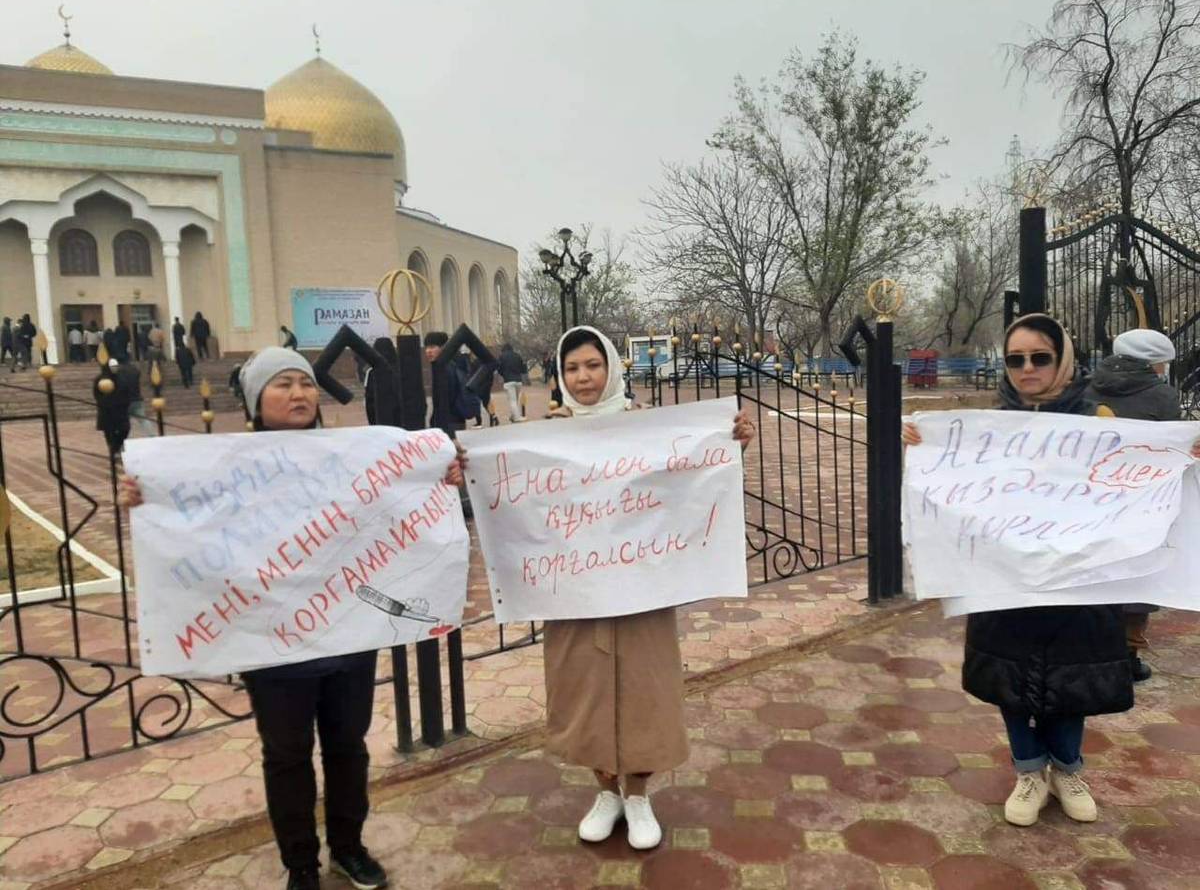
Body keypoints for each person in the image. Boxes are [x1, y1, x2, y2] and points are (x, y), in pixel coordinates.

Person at [117, 347, 467, 890]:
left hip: (346, 636)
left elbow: (400, 498)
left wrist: (439, 477)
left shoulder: (352, 457)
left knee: (347, 747)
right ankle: (300, 863)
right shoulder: (225, 470)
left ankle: (348, 848)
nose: (299, 394)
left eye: (305, 384)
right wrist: (147, 498)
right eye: (282, 385)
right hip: (271, 643)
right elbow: (189, 519)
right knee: (286, 755)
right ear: (257, 400)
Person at [901, 313, 1200, 828]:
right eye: (1016, 359)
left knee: (1072, 676)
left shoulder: (1100, 422)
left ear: (1062, 360)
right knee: (1010, 676)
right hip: (1006, 577)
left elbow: (1143, 481)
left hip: (1078, 578)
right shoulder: (986, 428)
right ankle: (1029, 770)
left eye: (1039, 357)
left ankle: (1067, 767)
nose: (1027, 368)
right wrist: (924, 449)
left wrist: (1185, 459)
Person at [531, 326, 754, 850]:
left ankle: (637, 794)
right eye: (572, 369)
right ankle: (604, 792)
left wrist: (731, 440)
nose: (583, 378)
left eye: (591, 365)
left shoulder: (644, 427)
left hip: (640, 587)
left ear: (611, 367)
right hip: (577, 593)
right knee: (584, 690)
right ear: (561, 377)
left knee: (643, 687)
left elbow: (686, 481)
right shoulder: (545, 436)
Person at [1085, 328, 1182, 682]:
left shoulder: (1086, 386)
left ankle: (1094, 648)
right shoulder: (1162, 396)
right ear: (1152, 363)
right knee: (1140, 570)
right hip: (1144, 499)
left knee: (1099, 569)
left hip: (1093, 496)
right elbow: (1175, 447)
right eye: (1163, 363)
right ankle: (1127, 655)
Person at [498, 343, 527, 422]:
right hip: (518, 381)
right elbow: (523, 368)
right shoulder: (517, 355)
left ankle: (517, 418)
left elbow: (499, 368)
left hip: (508, 381)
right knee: (515, 400)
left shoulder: (502, 356)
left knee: (512, 401)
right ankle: (513, 416)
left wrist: (503, 374)